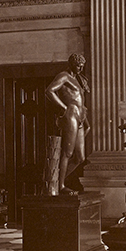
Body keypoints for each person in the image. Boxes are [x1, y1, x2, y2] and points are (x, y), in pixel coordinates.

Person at [46, 54, 90, 195]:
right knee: (67, 153)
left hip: (80, 116)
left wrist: (86, 121)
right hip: (71, 114)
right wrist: (64, 108)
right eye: (78, 65)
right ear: (71, 64)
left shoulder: (77, 79)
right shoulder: (63, 76)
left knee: (80, 158)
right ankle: (60, 186)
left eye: (82, 65)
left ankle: (57, 181)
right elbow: (49, 91)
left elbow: (80, 101)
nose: (80, 68)